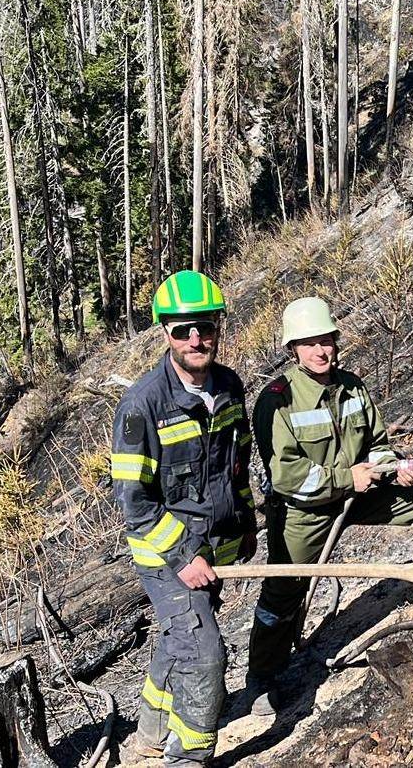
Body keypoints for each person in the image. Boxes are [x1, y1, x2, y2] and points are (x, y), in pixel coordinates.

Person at [244, 296, 413, 713]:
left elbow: (377, 445)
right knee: (283, 592)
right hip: (304, 511)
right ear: (292, 349)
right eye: (310, 343)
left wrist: (394, 468)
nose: (321, 351)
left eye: (327, 340)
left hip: (362, 494)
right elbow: (288, 477)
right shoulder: (276, 401)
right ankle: (261, 677)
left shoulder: (353, 386)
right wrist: (344, 478)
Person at [112, 270, 256, 764]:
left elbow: (236, 466)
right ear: (165, 333)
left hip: (216, 545)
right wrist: (183, 555)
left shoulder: (231, 387)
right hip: (164, 552)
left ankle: (149, 731)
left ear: (218, 326)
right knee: (204, 652)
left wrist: (246, 523)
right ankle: (189, 755)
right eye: (182, 329)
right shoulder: (143, 403)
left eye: (206, 326)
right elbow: (134, 502)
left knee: (182, 635)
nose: (196, 338)